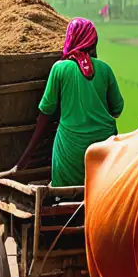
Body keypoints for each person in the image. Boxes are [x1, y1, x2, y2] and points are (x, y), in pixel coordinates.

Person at [13, 18, 124, 187]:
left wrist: (27, 155)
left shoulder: (60, 68)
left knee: (62, 186)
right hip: (105, 151)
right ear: (92, 42)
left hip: (71, 153)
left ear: (70, 39)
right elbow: (117, 109)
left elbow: (46, 112)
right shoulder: (105, 69)